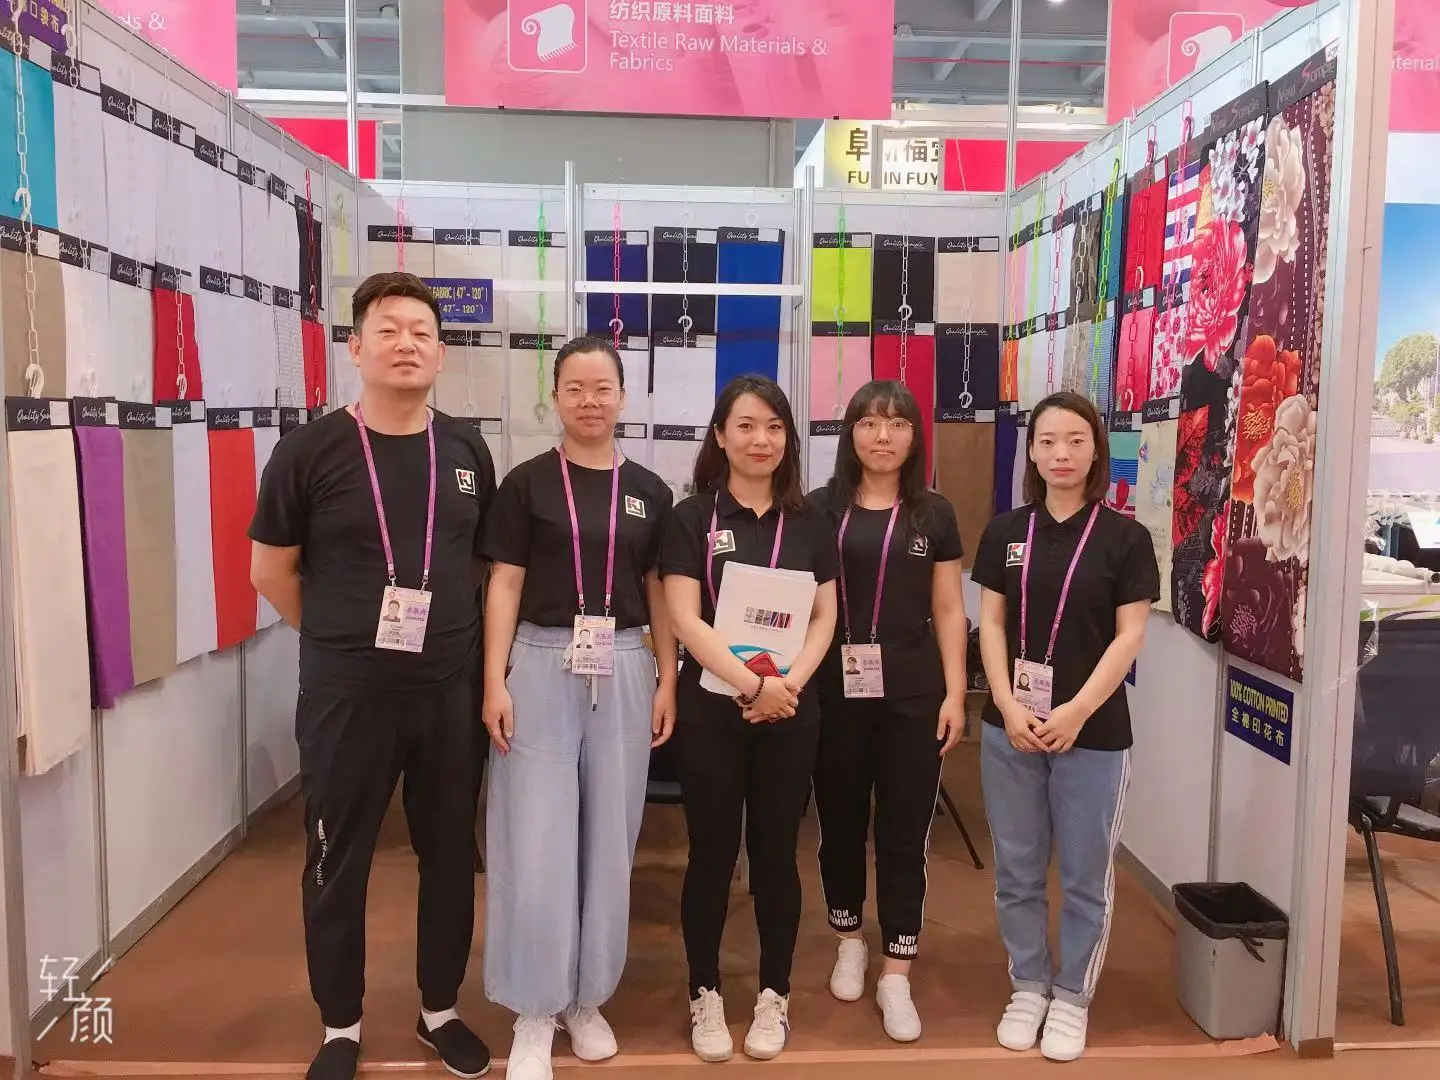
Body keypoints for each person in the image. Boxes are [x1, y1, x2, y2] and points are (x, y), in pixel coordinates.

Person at [249, 273, 496, 1080]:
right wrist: (338, 640)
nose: (406, 344)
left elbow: (479, 564)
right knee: (336, 859)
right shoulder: (309, 451)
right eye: (387, 330)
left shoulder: (465, 449)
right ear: (355, 349)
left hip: (448, 692)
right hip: (346, 697)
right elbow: (269, 572)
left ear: (442, 353)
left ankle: (440, 1010)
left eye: (421, 332)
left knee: (449, 854)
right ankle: (340, 1025)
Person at [480, 336, 678, 1080]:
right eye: (574, 388)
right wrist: (494, 679)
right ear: (555, 397)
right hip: (540, 660)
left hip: (623, 662)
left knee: (608, 841)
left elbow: (658, 590)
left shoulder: (651, 491)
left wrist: (667, 677)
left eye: (602, 388)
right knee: (535, 841)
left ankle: (587, 998)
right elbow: (504, 583)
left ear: (623, 396)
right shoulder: (526, 484)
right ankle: (535, 1009)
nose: (589, 401)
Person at [969, 391, 1158, 1063]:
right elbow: (991, 623)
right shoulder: (1005, 531)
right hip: (1011, 729)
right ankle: (1028, 985)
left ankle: (1073, 995)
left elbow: (1130, 636)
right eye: (1048, 441)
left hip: (1093, 735)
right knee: (1017, 870)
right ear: (1031, 451)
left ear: (1096, 449)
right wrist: (1006, 703)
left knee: (1084, 876)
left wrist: (1076, 710)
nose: (1061, 454)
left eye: (1076, 440)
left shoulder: (1125, 538)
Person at [659, 375, 839, 1063]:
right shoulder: (691, 519)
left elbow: (825, 614)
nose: (760, 439)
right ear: (720, 435)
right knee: (710, 855)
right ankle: (704, 992)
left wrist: (786, 685)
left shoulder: (811, 521)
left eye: (773, 426)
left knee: (775, 856)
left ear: (787, 437)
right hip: (713, 713)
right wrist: (752, 684)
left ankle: (774, 993)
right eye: (745, 425)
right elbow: (684, 617)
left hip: (790, 713)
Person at [808, 380, 967, 1043]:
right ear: (850, 433)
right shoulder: (818, 508)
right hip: (833, 690)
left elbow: (949, 609)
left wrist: (955, 692)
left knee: (905, 830)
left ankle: (897, 967)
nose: (883, 436)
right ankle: (849, 937)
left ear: (913, 436)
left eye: (897, 424)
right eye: (870, 423)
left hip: (912, 693)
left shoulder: (934, 513)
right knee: (840, 823)